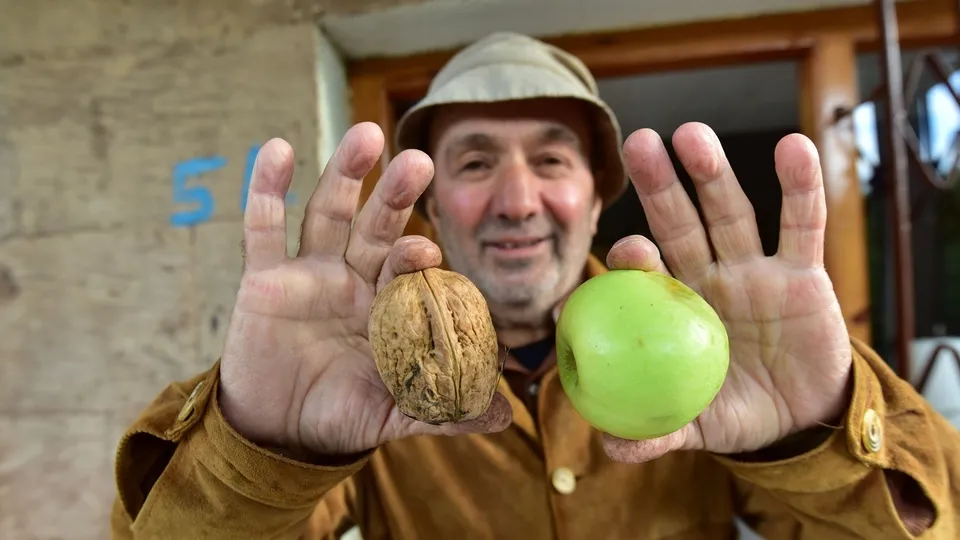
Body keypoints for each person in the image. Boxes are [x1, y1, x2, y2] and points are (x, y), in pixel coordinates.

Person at [110, 32, 959, 539]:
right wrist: (258, 444)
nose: (517, 201)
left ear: (596, 193)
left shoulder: (719, 364)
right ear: (434, 202)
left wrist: (815, 435)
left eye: (551, 160)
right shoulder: (369, 374)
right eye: (476, 161)